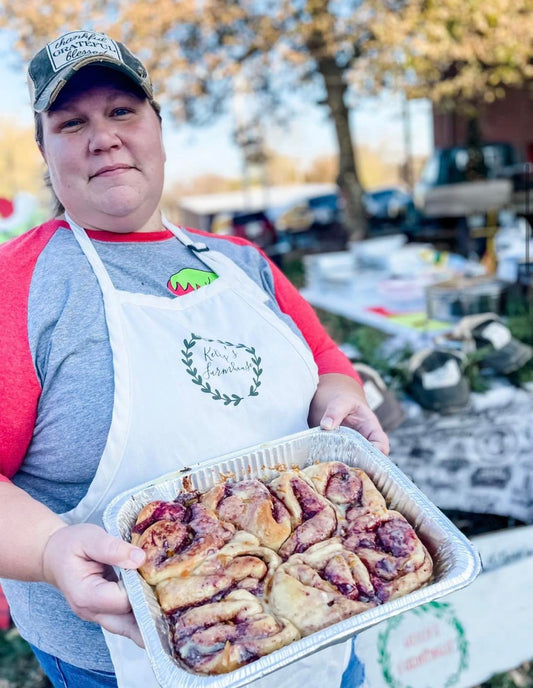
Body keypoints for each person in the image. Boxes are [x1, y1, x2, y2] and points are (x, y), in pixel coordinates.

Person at [0, 30, 388, 688]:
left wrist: (339, 397)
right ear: (44, 150)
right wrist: (47, 549)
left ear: (157, 128)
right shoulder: (21, 284)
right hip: (125, 662)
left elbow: (326, 361)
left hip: (318, 622)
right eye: (72, 122)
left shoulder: (240, 262)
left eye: (122, 111)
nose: (104, 136)